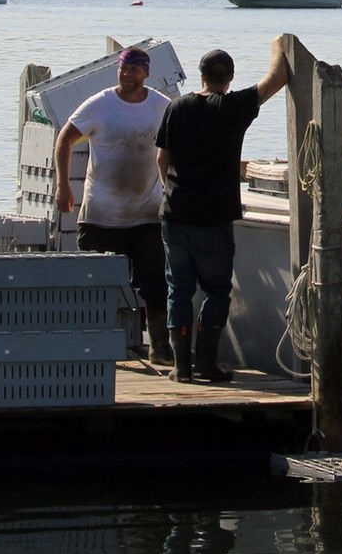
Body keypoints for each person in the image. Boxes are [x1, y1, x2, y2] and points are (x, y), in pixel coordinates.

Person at [156, 42, 291, 383]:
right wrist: (278, 44)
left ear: (201, 76)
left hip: (175, 212)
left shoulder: (177, 107)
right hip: (213, 217)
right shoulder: (233, 108)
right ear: (229, 78)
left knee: (179, 289)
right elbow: (277, 78)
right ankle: (207, 363)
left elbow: (162, 158)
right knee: (216, 290)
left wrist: (170, 191)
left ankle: (181, 367)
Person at [54, 45, 172, 366]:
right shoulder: (100, 105)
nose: (126, 73)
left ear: (146, 73)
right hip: (101, 215)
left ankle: (160, 347)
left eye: (134, 68)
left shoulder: (162, 107)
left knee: (155, 284)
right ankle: (92, 348)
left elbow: (181, 146)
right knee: (94, 286)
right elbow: (65, 139)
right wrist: (63, 185)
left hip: (147, 213)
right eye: (123, 67)